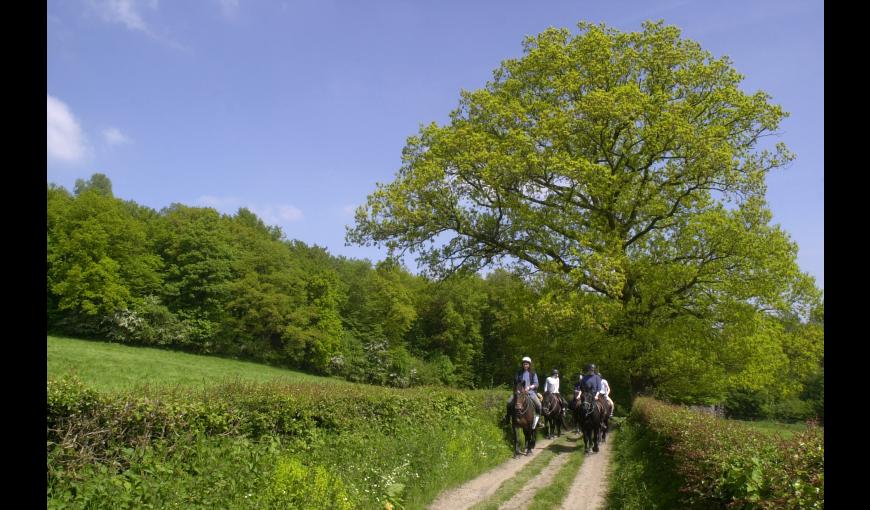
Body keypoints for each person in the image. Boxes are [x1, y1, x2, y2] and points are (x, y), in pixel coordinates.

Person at [505, 356, 543, 428]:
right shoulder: (518, 373)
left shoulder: (533, 373)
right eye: (524, 364)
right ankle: (507, 418)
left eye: (527, 364)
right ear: (522, 364)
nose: (525, 365)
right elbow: (515, 382)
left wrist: (529, 387)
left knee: (539, 405)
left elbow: (536, 383)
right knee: (509, 402)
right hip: (520, 393)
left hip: (530, 392)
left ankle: (538, 421)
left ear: (529, 365)